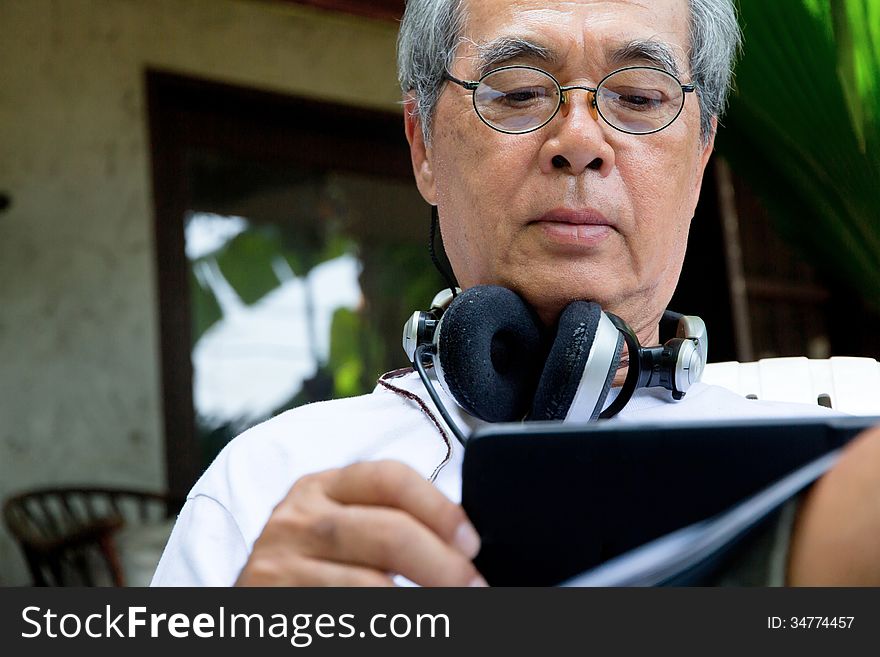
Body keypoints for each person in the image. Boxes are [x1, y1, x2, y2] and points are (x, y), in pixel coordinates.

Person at [151, 0, 880, 587]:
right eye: (523, 92)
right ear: (423, 147)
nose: (580, 138)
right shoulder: (269, 486)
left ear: (700, 160)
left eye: (637, 96)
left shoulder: (834, 487)